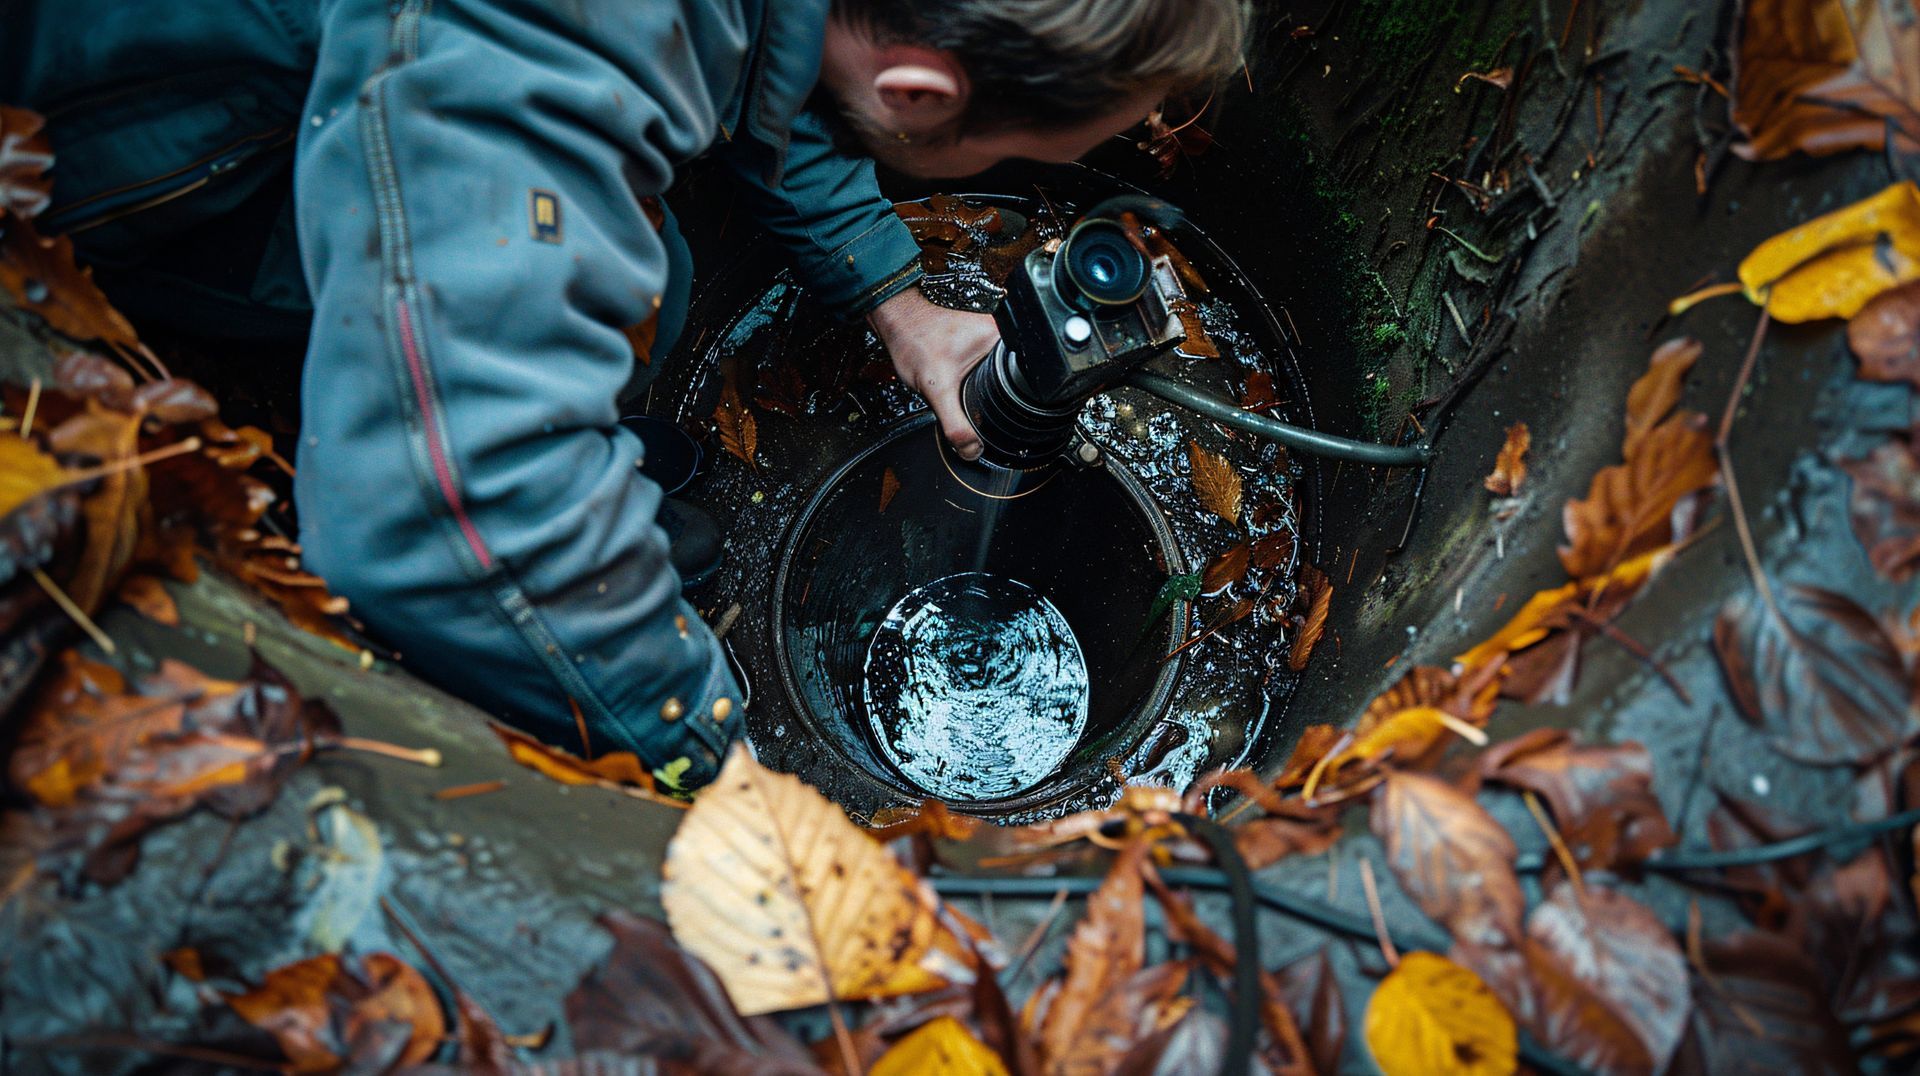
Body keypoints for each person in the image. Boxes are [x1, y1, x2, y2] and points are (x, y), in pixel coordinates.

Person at [1, 0, 1248, 789]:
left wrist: (896, 297)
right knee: (582, 351)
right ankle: (586, 510)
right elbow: (435, 513)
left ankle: (590, 470)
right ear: (924, 96)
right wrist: (721, 773)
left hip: (337, 59)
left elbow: (784, 46)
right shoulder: (536, 49)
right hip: (133, 144)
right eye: (1028, 153)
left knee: (652, 273)